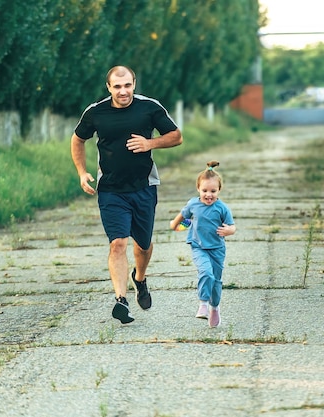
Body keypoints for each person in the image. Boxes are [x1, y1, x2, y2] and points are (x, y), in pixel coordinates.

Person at [70, 65, 183, 324]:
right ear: (108, 87)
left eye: (127, 85)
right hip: (110, 189)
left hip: (144, 187)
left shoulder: (149, 107)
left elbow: (176, 136)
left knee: (142, 245)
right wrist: (81, 172)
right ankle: (121, 300)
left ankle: (140, 279)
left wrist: (150, 143)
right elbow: (78, 139)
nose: (123, 91)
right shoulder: (96, 112)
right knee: (118, 243)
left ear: (134, 83)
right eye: (117, 86)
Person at [170, 161, 236, 327]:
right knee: (206, 273)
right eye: (205, 190)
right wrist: (174, 224)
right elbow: (183, 215)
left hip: (217, 249)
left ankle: (215, 307)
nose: (209, 195)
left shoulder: (222, 208)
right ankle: (203, 304)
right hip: (198, 246)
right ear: (198, 189)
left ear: (219, 190)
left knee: (216, 280)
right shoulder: (193, 204)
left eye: (213, 191)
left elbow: (232, 226)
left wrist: (229, 231)